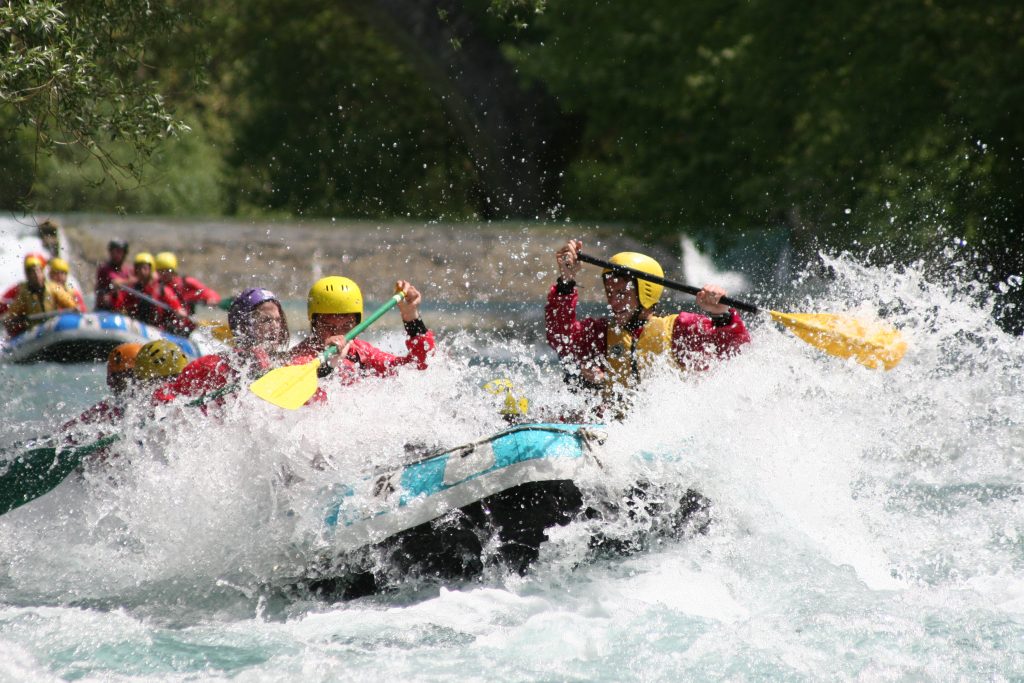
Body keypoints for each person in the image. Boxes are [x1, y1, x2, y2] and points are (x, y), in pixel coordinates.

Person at [546, 239, 750, 401]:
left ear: (646, 293)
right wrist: (566, 282)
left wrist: (721, 315)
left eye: (621, 293)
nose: (614, 302)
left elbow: (735, 351)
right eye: (610, 293)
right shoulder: (599, 333)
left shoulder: (680, 328)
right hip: (612, 428)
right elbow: (560, 338)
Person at [152, 287, 290, 403]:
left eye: (278, 320)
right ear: (243, 327)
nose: (275, 327)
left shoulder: (282, 364)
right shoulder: (211, 366)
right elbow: (163, 395)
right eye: (266, 320)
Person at [289, 276, 434, 385]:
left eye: (346, 326)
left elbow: (416, 367)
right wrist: (331, 364)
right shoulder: (299, 359)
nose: (338, 334)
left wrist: (411, 317)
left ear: (357, 324)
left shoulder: (361, 352)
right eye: (329, 327)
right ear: (314, 324)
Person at [62, 342, 144, 431]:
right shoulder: (104, 411)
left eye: (117, 377)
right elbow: (65, 433)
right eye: (112, 377)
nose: (110, 383)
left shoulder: (157, 403)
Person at [113, 252, 192, 333]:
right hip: (138, 326)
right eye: (138, 268)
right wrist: (115, 293)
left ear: (151, 269)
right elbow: (120, 304)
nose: (141, 271)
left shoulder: (161, 289)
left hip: (157, 329)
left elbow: (175, 305)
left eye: (144, 268)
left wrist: (178, 310)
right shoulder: (133, 288)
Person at [2, 254, 79, 337]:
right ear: (28, 275)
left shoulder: (53, 288)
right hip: (35, 332)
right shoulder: (24, 294)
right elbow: (13, 314)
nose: (36, 275)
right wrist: (12, 320)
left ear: (42, 272)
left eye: (38, 271)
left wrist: (74, 309)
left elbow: (71, 305)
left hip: (53, 328)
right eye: (32, 272)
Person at [155, 251, 222, 316]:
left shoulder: (186, 282)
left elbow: (207, 291)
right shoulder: (157, 285)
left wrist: (212, 298)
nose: (164, 274)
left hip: (188, 321)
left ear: (173, 270)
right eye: (160, 271)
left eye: (167, 270)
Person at [95, 238, 134, 311]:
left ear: (124, 253)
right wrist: (131, 281)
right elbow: (114, 281)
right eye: (113, 252)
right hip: (105, 309)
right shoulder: (104, 269)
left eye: (118, 252)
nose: (115, 255)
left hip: (123, 310)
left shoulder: (129, 270)